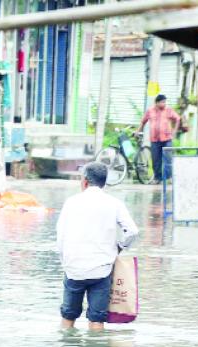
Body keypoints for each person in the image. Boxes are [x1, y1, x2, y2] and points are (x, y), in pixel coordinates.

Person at [57, 162, 139, 331]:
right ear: (104, 182)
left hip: (74, 269)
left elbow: (60, 237)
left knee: (68, 316)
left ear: (85, 181)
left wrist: (65, 261)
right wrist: (119, 247)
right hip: (101, 270)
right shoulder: (114, 203)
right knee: (96, 319)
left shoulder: (71, 202)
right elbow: (132, 231)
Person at [136, 93, 181, 182]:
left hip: (167, 138)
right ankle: (157, 178)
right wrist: (138, 131)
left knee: (168, 158)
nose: (164, 104)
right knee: (156, 160)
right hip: (154, 139)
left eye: (165, 102)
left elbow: (178, 118)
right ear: (156, 103)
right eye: (162, 102)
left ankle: (169, 177)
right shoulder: (150, 111)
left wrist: (175, 131)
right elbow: (143, 121)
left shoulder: (168, 110)